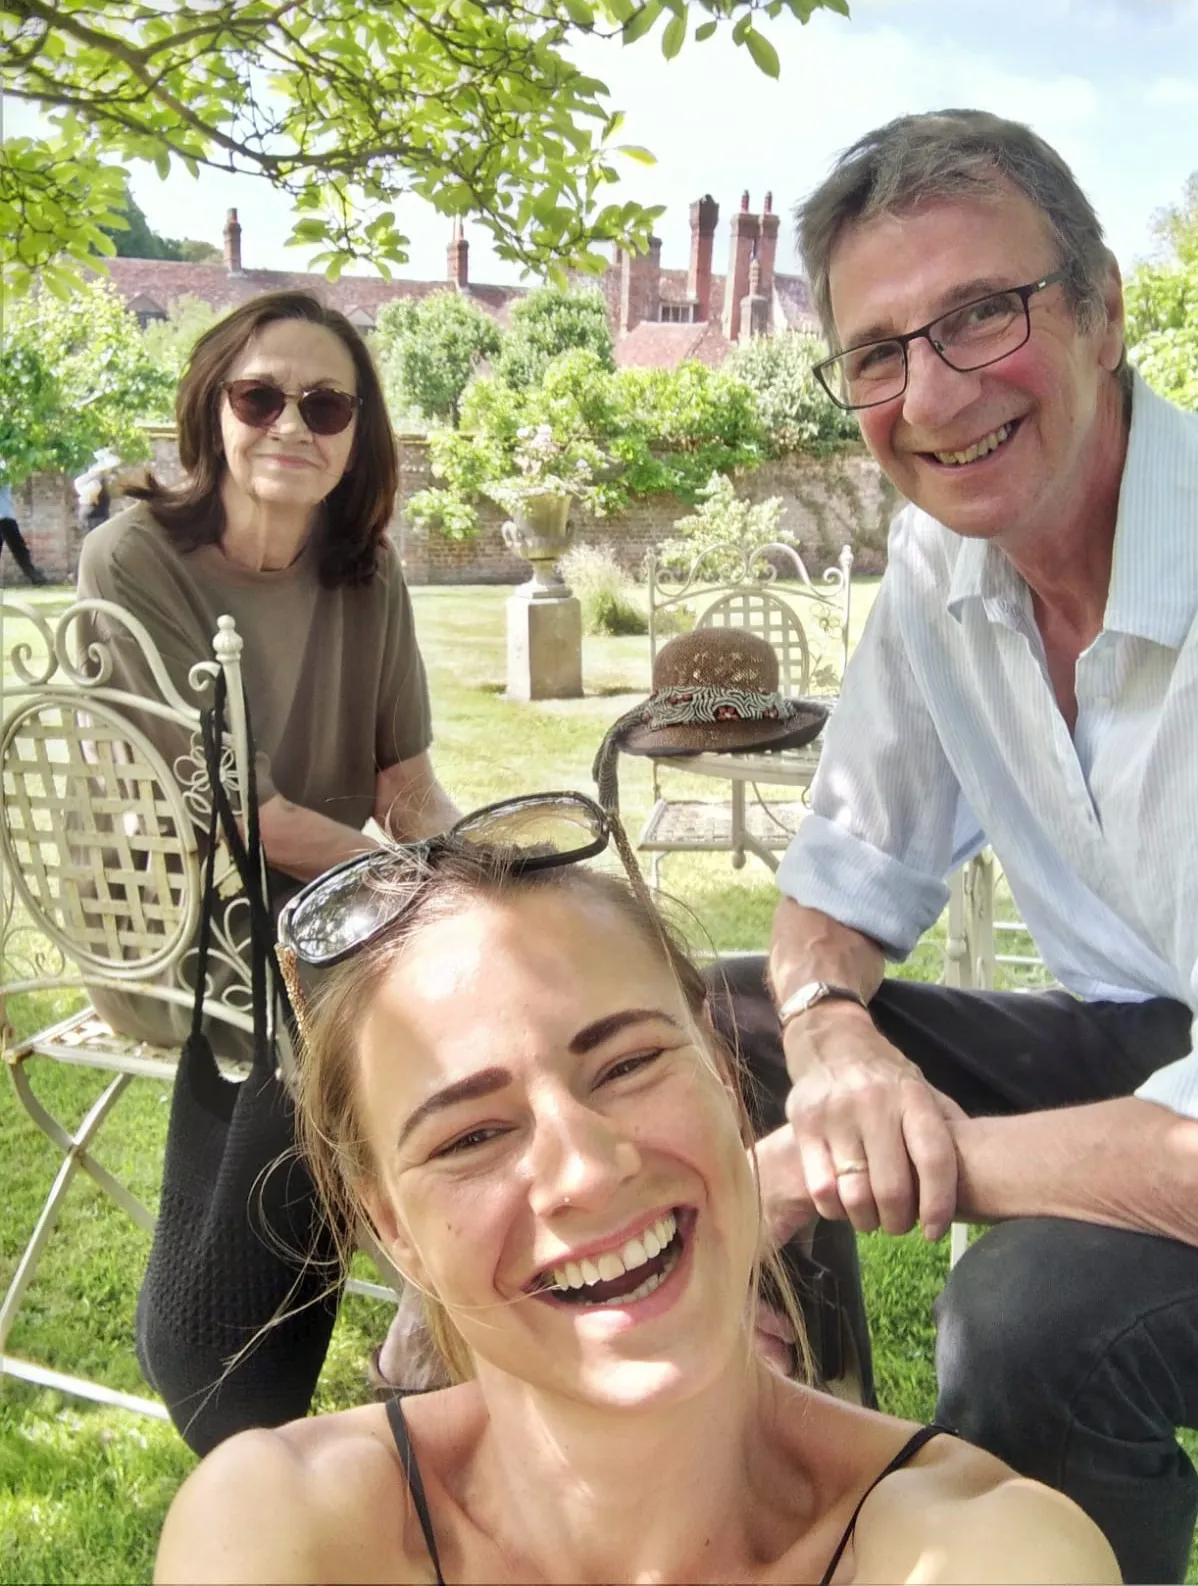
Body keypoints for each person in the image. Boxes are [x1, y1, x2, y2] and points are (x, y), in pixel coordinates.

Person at [155, 793, 1118, 1584]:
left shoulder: (981, 1552)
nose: (586, 1169)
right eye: (474, 1135)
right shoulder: (283, 1535)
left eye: (625, 1066)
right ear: (393, 1230)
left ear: (727, 1077)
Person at [757, 108, 1198, 1584]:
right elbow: (833, 882)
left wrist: (838, 1165)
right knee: (701, 1030)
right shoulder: (940, 567)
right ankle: (799, 1514)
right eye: (876, 351)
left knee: (1029, 1315)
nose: (929, 394)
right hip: (1140, 1042)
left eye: (979, 314)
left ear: (1100, 312)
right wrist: (831, 1048)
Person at [76, 288, 459, 1444]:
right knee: (373, 975)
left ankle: (442, 1300)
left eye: (326, 402)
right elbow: (240, 812)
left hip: (332, 911)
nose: (292, 422)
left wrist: (479, 863)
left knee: (487, 964)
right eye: (260, 394)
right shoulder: (133, 554)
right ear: (213, 411)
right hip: (172, 923)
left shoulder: (367, 573)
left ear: (357, 435)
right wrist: (412, 886)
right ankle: (226, 1345)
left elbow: (407, 790)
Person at [0, 481, 49, 585]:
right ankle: (34, 576)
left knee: (19, 548)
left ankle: (34, 576)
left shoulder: (4, 472)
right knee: (19, 549)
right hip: (5, 516)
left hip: (6, 516)